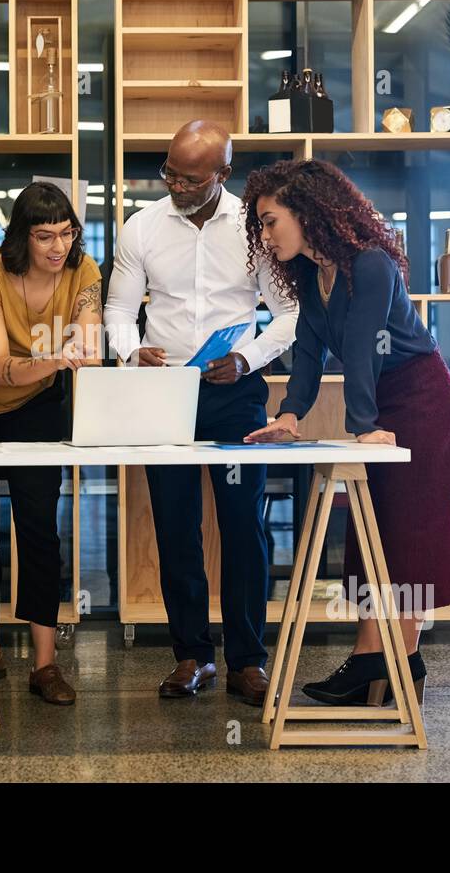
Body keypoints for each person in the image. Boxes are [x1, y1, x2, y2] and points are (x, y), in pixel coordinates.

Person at [241, 157, 450, 706]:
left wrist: (363, 426)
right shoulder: (312, 276)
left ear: (308, 213)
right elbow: (308, 353)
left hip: (421, 402)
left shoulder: (371, 264)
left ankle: (394, 667)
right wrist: (289, 413)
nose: (265, 234)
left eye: (270, 220)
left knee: (408, 535)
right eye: (260, 223)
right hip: (380, 405)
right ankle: (382, 664)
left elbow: (361, 347)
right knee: (375, 532)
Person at [103, 120, 299, 706]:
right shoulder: (140, 227)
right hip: (164, 392)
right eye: (170, 172)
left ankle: (247, 660)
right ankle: (191, 656)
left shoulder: (252, 228)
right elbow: (117, 310)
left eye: (190, 178)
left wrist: (246, 357)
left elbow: (289, 314)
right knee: (174, 524)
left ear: (222, 174)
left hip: (234, 391)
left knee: (245, 528)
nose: (176, 185)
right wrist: (128, 349)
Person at [0, 182, 102, 706]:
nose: (58, 247)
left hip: (36, 405)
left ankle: (45, 664)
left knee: (39, 527)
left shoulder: (84, 270)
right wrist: (59, 358)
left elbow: (89, 341)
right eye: (44, 235)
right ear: (21, 237)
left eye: (67, 233)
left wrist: (80, 348)